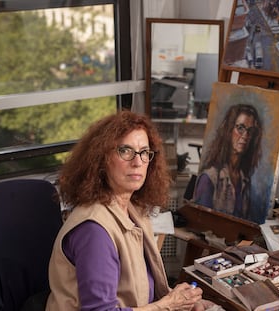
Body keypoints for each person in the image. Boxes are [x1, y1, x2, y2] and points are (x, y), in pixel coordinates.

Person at [46, 111, 215, 311]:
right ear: (101, 159)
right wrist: (168, 305)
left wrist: (183, 302)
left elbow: (143, 290)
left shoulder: (134, 210)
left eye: (144, 152)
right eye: (126, 151)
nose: (137, 162)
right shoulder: (94, 231)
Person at [193, 104, 262, 220]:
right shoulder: (209, 178)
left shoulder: (244, 178)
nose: (245, 135)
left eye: (250, 131)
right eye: (240, 128)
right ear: (228, 130)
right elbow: (201, 222)